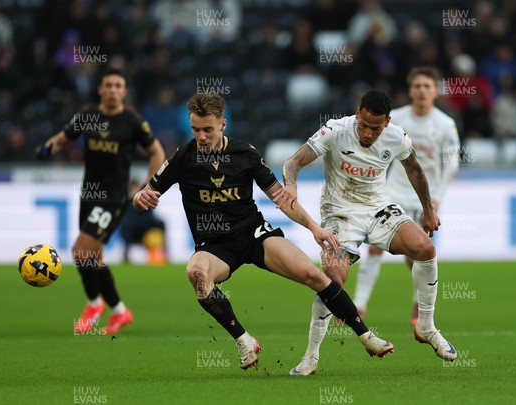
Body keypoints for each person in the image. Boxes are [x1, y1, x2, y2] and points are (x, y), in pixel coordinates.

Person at [133, 93, 394, 371]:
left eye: (207, 129)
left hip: (255, 235)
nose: (201, 136)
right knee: (196, 274)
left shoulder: (245, 154)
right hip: (214, 246)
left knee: (313, 275)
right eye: (195, 129)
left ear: (222, 125)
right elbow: (145, 194)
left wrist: (314, 228)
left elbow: (281, 198)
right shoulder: (182, 158)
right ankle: (244, 341)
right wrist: (140, 198)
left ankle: (367, 337)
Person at [274, 89, 457, 376]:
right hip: (340, 213)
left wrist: (428, 209)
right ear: (358, 113)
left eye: (376, 128)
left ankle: (426, 326)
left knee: (425, 249)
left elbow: (415, 170)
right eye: (364, 125)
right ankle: (310, 357)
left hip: (377, 208)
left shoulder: (396, 136)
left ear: (387, 122)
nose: (368, 133)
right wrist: (291, 184)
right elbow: (292, 162)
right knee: (333, 279)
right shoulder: (335, 130)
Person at [43, 68, 165, 335]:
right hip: (89, 195)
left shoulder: (132, 122)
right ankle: (121, 312)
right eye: (108, 85)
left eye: (118, 85)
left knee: (79, 251)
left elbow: (157, 152)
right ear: (100, 89)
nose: (112, 89)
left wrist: (146, 187)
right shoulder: (88, 117)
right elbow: (63, 137)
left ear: (124, 91)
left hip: (114, 198)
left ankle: (94, 304)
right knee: (94, 258)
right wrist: (49, 147)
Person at [353, 67, 460, 324]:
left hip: (424, 200)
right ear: (410, 90)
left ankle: (418, 304)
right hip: (393, 193)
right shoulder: (395, 119)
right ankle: (359, 304)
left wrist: (436, 200)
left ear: (435, 91)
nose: (422, 91)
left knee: (416, 256)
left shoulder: (445, 124)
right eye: (417, 86)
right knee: (375, 247)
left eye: (427, 86)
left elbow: (452, 164)